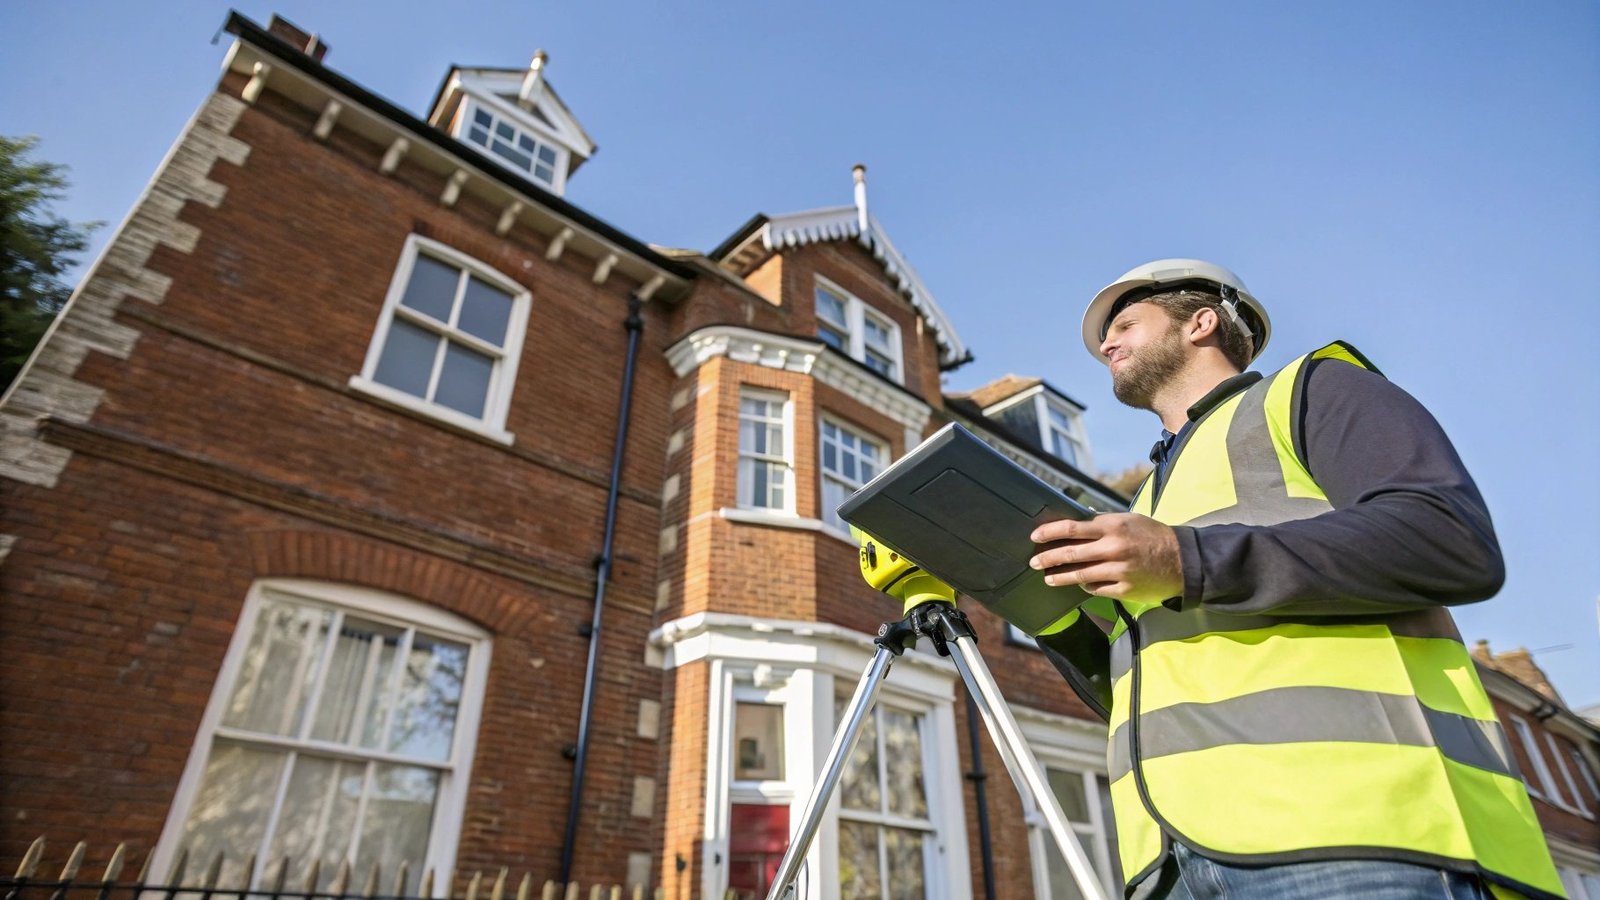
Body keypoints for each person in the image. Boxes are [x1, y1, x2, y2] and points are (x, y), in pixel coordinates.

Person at [1026, 259, 1564, 899]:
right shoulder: (1144, 505)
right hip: (1173, 866)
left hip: (1357, 829)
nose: (1106, 346)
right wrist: (1041, 611)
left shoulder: (1313, 391)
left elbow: (1450, 540)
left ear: (1201, 322)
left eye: (1124, 325)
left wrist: (1184, 560)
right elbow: (1142, 695)